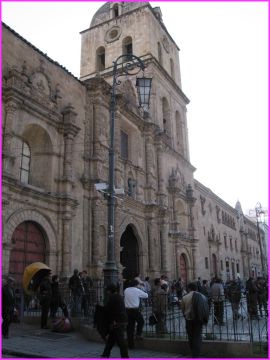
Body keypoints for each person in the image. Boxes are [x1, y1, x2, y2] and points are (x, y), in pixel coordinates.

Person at [101, 284, 129, 358]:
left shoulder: (113, 297)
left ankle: (125, 357)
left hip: (118, 321)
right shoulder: (119, 296)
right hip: (121, 320)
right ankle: (105, 355)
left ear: (110, 291)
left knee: (121, 341)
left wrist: (112, 320)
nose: (107, 292)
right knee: (111, 340)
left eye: (107, 290)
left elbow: (110, 310)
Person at [181, 282, 208, 358]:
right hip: (199, 319)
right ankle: (196, 354)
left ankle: (193, 352)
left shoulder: (185, 297)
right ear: (196, 288)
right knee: (197, 336)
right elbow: (205, 307)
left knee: (190, 336)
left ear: (189, 289)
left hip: (189, 319)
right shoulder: (202, 296)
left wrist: (186, 315)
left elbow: (182, 309)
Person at [124, 279, 148, 349]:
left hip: (127, 310)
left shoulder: (126, 290)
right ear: (136, 284)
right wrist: (141, 288)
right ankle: (138, 334)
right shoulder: (136, 290)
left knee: (130, 327)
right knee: (141, 321)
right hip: (135, 310)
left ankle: (130, 344)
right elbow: (146, 295)